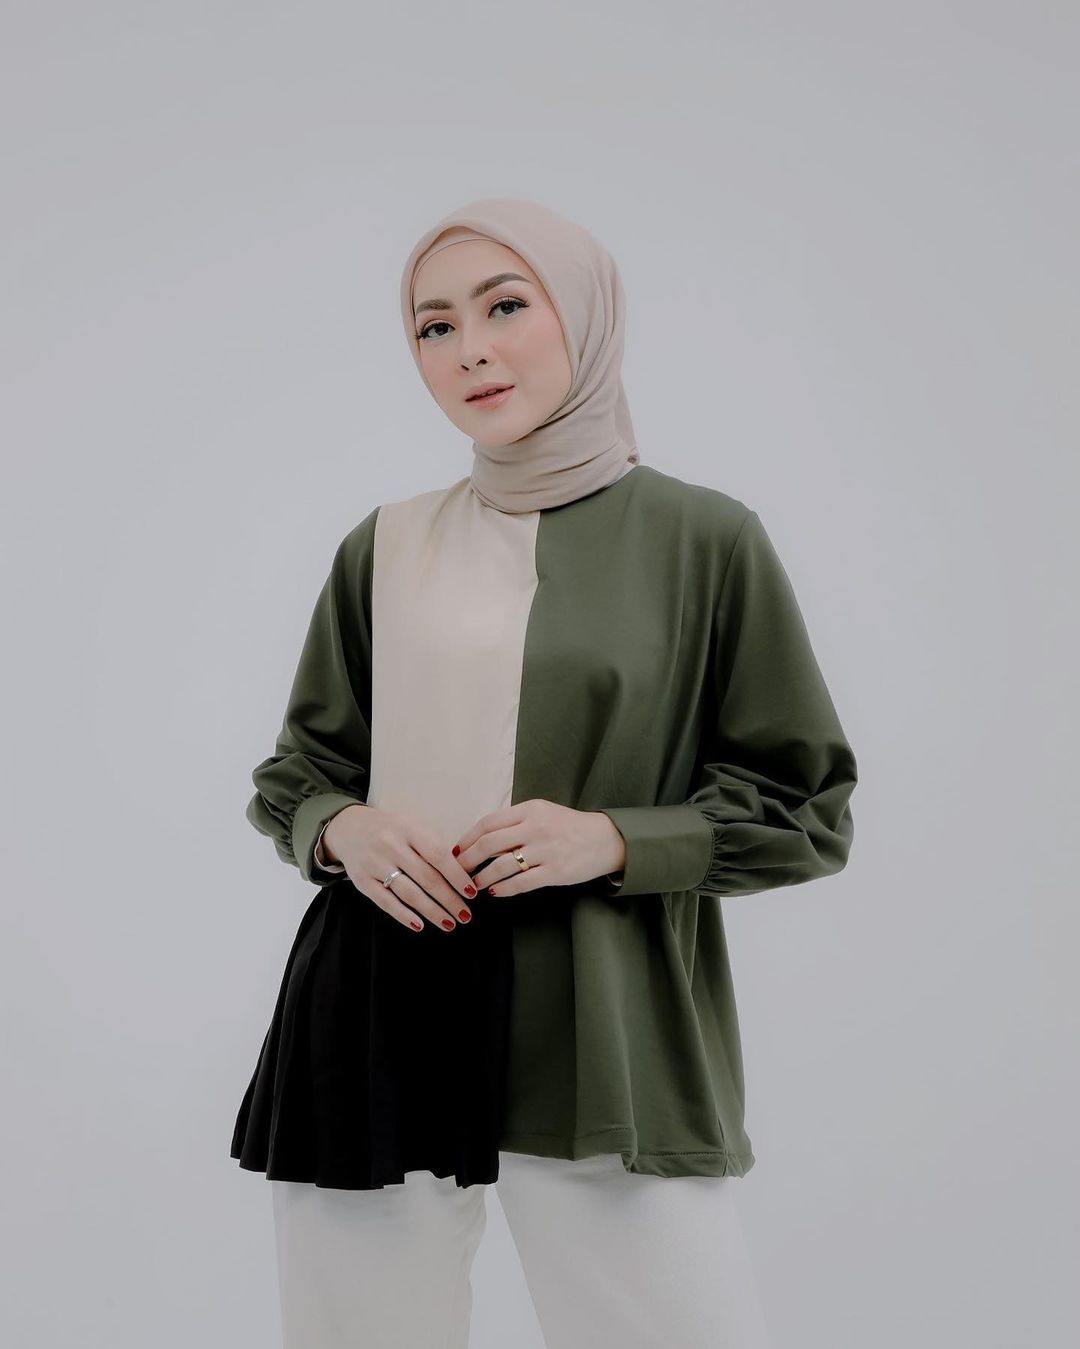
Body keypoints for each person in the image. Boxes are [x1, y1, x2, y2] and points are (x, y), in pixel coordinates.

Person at [229, 196, 858, 1348]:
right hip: (375, 1009)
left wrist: (613, 838)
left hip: (605, 1021)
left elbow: (806, 804)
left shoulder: (704, 540)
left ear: (585, 315)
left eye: (505, 306)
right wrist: (342, 827)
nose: (469, 348)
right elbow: (301, 770)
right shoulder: (385, 543)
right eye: (434, 326)